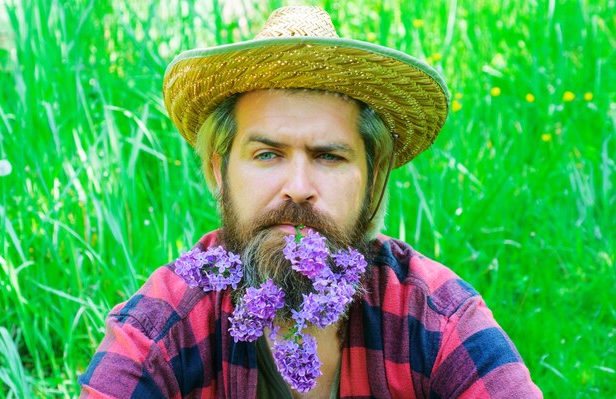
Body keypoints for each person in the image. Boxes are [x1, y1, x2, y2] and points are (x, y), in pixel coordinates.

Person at [79, 6, 542, 398]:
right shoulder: (161, 328)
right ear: (219, 171)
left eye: (329, 156)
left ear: (374, 178)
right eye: (267, 154)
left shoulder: (436, 318)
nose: (298, 187)